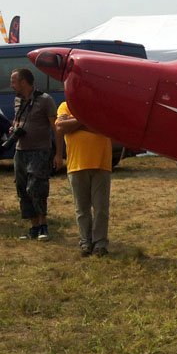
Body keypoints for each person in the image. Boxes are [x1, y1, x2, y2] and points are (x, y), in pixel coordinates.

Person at [9, 68, 62, 240]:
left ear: (24, 81)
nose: (11, 84)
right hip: (20, 151)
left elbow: (56, 129)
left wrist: (58, 154)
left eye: (14, 81)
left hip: (40, 150)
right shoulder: (18, 100)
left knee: (37, 187)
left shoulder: (45, 100)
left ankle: (43, 225)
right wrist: (14, 128)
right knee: (23, 189)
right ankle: (33, 226)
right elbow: (18, 120)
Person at [56, 101, 112, 257]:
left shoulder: (101, 105)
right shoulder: (66, 106)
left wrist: (75, 124)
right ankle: (85, 243)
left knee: (101, 208)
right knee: (82, 209)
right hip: (76, 164)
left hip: (101, 163)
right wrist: (87, 121)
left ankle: (100, 244)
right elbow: (60, 127)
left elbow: (106, 127)